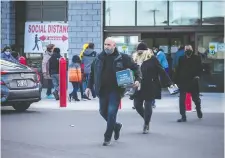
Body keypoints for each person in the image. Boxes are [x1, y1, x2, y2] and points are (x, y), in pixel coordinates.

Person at [85, 37, 141, 146]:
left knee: (111, 113)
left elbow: (136, 68)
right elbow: (92, 73)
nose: (106, 47)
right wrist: (88, 87)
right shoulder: (98, 58)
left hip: (116, 90)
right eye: (105, 44)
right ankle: (116, 126)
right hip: (102, 90)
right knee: (102, 111)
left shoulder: (123, 58)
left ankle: (107, 137)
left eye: (109, 45)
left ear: (114, 45)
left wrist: (138, 80)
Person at [133, 46, 173, 134]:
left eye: (141, 51)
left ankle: (146, 124)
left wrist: (169, 83)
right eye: (138, 51)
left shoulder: (152, 59)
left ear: (145, 51)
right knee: (137, 104)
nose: (139, 53)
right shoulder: (135, 59)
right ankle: (146, 119)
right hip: (138, 85)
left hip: (150, 85)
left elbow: (161, 71)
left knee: (148, 105)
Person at [175, 45, 203, 122]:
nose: (188, 50)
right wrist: (176, 81)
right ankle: (183, 116)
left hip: (193, 81)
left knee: (196, 99)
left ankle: (198, 109)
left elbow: (200, 68)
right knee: (182, 100)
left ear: (192, 50)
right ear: (184, 50)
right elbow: (178, 70)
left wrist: (198, 76)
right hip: (183, 82)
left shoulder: (196, 58)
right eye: (186, 49)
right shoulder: (181, 58)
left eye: (189, 49)